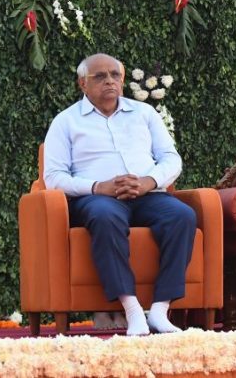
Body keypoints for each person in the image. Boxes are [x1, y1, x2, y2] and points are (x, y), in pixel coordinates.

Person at [43, 53, 197, 336]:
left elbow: (171, 158)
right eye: (100, 76)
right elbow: (52, 178)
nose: (110, 81)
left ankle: (160, 311)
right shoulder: (65, 122)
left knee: (182, 216)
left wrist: (149, 182)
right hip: (97, 199)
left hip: (147, 194)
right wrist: (98, 187)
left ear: (123, 80)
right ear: (82, 84)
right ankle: (132, 309)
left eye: (115, 75)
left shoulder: (144, 113)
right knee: (104, 216)